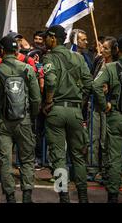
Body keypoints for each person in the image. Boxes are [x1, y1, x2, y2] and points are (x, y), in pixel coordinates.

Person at [0, 36, 41, 203]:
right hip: (24, 120)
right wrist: (31, 115)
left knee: (5, 160)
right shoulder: (27, 69)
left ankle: (10, 196)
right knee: (27, 159)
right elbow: (36, 98)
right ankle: (27, 195)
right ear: (17, 51)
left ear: (2, 51)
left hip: (3, 122)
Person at [42, 25, 93, 203]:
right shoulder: (79, 58)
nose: (45, 40)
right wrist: (80, 102)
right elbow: (89, 83)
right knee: (78, 157)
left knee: (58, 157)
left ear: (53, 38)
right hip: (75, 111)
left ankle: (63, 196)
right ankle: (83, 197)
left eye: (47, 37)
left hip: (55, 110)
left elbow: (50, 80)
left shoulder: (49, 57)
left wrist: (48, 101)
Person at [92, 35, 122, 203]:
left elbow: (95, 85)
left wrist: (105, 106)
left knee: (114, 158)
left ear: (117, 49)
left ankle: (112, 196)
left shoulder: (111, 67)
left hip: (117, 117)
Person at [87, 37, 118, 182]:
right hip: (95, 104)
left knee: (106, 140)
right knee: (93, 137)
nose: (103, 50)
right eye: (102, 47)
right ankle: (92, 168)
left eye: (106, 48)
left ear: (113, 50)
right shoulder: (99, 61)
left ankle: (106, 170)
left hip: (108, 106)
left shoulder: (116, 65)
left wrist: (108, 87)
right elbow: (92, 79)